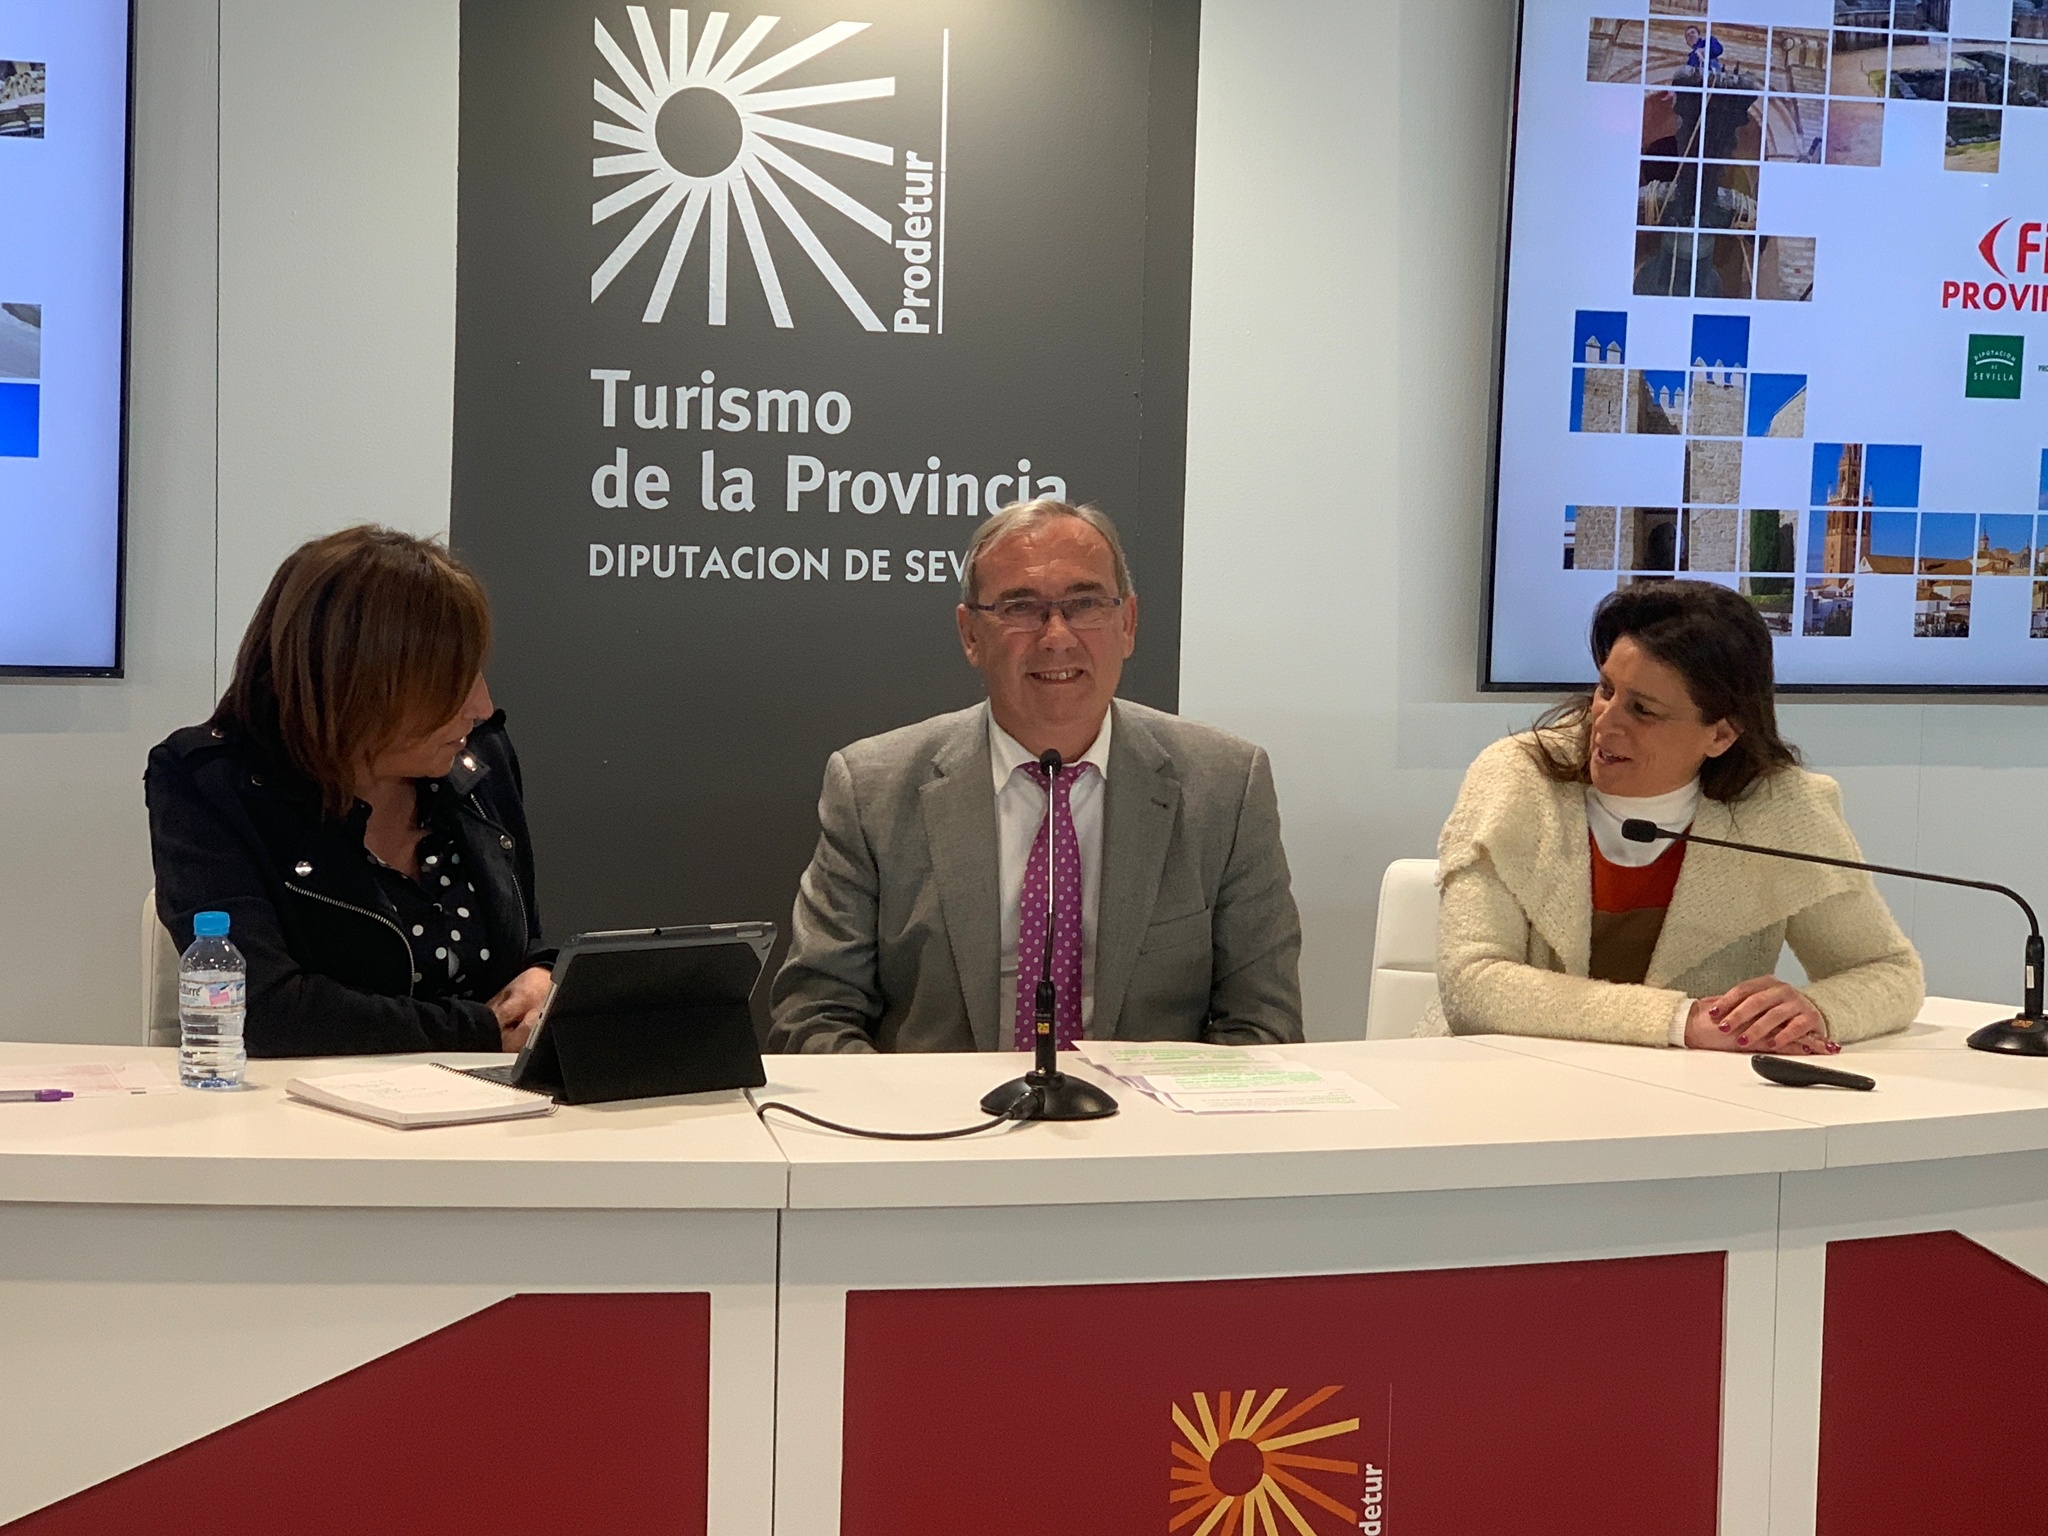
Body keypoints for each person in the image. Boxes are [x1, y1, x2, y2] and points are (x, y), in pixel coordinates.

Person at [769, 499, 1303, 1054]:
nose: (1056, 636)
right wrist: (917, 1109)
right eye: (1021, 607)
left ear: (1127, 623)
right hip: (940, 1110)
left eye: (1085, 603)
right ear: (970, 634)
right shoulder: (872, 788)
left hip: (1142, 1109)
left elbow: (1263, 1023)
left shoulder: (1227, 787)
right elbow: (814, 1015)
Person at [1431, 581, 1921, 1053]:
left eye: (1642, 710)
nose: (1605, 722)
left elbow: (1889, 971)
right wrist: (1677, 1021)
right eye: (1606, 689)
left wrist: (1815, 1009)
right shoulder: (1516, 778)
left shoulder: (1784, 808)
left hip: (1693, 1093)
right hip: (1503, 1080)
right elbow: (1473, 986)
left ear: (1721, 735)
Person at [146, 526, 553, 1057]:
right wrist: (478, 1031)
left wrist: (542, 975)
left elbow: (520, 944)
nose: (480, 706)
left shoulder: (479, 758)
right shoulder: (209, 783)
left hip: (488, 1096)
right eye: (449, 683)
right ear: (356, 684)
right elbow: (261, 1008)